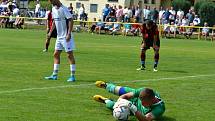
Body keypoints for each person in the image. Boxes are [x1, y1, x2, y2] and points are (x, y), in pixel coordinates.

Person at [93, 81, 165, 121]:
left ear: (152, 100)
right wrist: (119, 102)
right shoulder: (143, 91)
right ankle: (106, 85)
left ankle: (105, 100)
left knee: (112, 105)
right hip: (135, 98)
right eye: (141, 101)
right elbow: (126, 96)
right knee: (119, 90)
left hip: (136, 111)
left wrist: (132, 107)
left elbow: (145, 120)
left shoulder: (159, 108)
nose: (142, 103)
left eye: (144, 102)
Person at [44, 0, 76, 82]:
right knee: (56, 54)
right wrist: (50, 32)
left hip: (66, 36)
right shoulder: (53, 8)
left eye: (51, 0)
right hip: (59, 37)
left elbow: (71, 20)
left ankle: (72, 76)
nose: (50, 2)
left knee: (69, 55)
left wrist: (68, 34)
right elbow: (54, 21)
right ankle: (54, 75)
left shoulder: (64, 9)